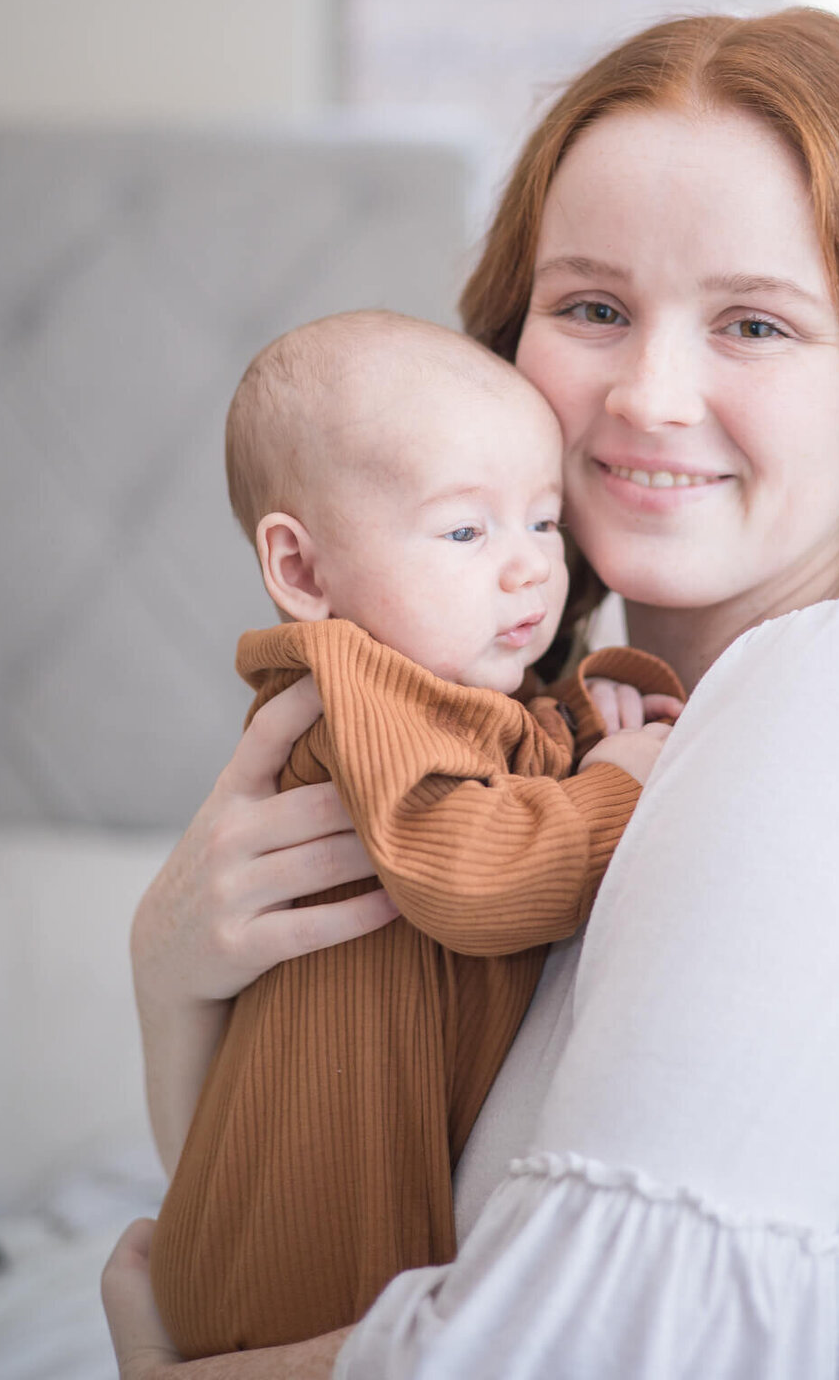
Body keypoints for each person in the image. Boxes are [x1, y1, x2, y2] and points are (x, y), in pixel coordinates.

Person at [105, 6, 839, 1380]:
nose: (647, 394)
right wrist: (173, 977)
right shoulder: (569, 752)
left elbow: (584, 1349)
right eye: (592, 307)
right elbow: (303, 1214)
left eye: (755, 324)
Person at [148, 309, 682, 1355]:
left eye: (542, 520)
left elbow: (506, 766)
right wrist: (615, 789)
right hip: (300, 1257)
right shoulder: (353, 688)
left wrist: (588, 719)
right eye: (464, 532)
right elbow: (474, 874)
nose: (529, 566)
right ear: (304, 573)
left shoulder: (445, 696)